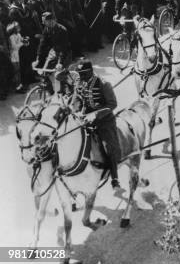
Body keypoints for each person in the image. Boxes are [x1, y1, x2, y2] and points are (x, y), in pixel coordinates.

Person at [73, 59, 121, 189]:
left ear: (90, 72)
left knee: (108, 146)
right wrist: (77, 110)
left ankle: (115, 177)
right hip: (85, 119)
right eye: (79, 74)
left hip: (104, 121)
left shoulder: (103, 84)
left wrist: (96, 114)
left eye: (83, 74)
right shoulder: (80, 83)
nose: (81, 77)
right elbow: (77, 99)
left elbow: (112, 104)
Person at [34, 12, 71, 93]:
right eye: (44, 22)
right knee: (44, 72)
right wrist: (38, 59)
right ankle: (50, 91)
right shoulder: (47, 29)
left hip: (65, 53)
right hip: (54, 52)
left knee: (59, 75)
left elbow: (64, 48)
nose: (44, 24)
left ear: (53, 20)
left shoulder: (62, 30)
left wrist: (60, 63)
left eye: (45, 22)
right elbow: (42, 44)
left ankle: (67, 91)